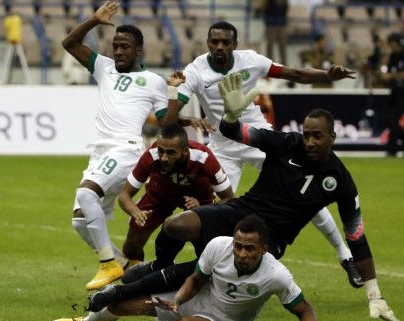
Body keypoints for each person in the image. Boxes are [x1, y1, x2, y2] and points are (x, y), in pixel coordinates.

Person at [94, 73, 404, 321]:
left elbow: (357, 237)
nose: (309, 141)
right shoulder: (285, 144)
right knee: (178, 225)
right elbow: (233, 132)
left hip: (270, 238)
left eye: (317, 136)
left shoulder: (341, 181)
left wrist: (373, 292)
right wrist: (229, 115)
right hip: (241, 211)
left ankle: (124, 290)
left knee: (209, 266)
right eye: (307, 134)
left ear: (332, 138)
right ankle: (160, 267)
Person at [158, 21, 362, 288]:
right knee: (214, 211)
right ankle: (209, 273)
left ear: (235, 44)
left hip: (258, 138)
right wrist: (175, 94)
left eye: (226, 42)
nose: (220, 47)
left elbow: (295, 74)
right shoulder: (196, 71)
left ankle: (345, 256)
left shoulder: (250, 61)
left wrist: (327, 75)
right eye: (215, 42)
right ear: (208, 43)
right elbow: (168, 123)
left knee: (302, 193)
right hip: (222, 147)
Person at [49, 215, 323, 321]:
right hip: (193, 300)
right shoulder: (219, 246)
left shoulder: (276, 275)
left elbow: (304, 309)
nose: (240, 253)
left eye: (249, 248)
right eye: (238, 245)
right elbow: (195, 278)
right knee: (127, 304)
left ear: (264, 249)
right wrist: (177, 299)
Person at [62, 0, 170, 290]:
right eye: (115, 46)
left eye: (125, 47)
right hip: (100, 152)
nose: (118, 51)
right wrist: (94, 20)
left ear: (139, 51)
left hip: (126, 148)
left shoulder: (154, 82)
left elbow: (165, 122)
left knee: (86, 195)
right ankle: (127, 266)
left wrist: (180, 102)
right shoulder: (104, 67)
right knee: (80, 222)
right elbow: (69, 43)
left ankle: (108, 264)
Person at [118, 123, 234, 268]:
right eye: (161, 151)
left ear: (186, 151)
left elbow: (229, 199)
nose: (164, 157)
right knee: (131, 247)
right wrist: (136, 213)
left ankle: (204, 276)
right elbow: (124, 195)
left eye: (171, 152)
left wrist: (204, 210)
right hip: (160, 195)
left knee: (208, 249)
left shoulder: (205, 159)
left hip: (199, 199)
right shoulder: (151, 155)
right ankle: (135, 281)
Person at [380, 32, 404, 157]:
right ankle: (392, 148)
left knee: (393, 119)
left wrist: (391, 76)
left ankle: (392, 148)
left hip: (402, 92)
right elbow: (387, 71)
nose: (392, 47)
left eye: (393, 44)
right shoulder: (392, 56)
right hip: (394, 91)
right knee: (390, 120)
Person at [262, 0, 288, 66]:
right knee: (270, 45)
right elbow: (263, 9)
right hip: (271, 25)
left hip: (281, 24)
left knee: (282, 46)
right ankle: (269, 65)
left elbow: (286, 8)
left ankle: (284, 65)